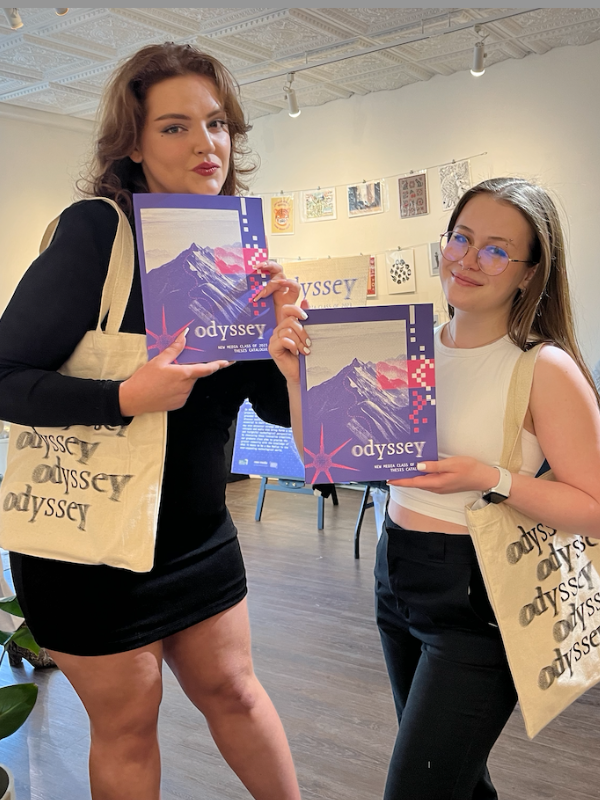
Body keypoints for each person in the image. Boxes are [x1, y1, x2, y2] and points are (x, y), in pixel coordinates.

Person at [0, 43, 301, 800]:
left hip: (197, 537)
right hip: (89, 546)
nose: (206, 144)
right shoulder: (98, 234)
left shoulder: (237, 250)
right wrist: (124, 398)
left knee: (235, 692)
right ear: (133, 143)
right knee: (130, 724)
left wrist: (293, 354)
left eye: (218, 123)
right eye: (175, 127)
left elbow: (270, 406)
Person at [269, 176, 600, 799]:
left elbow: (596, 508)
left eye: (497, 250)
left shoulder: (541, 366)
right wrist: (295, 380)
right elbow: (322, 458)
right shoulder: (409, 347)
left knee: (419, 788)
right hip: (397, 574)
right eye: (461, 238)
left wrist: (491, 478)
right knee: (455, 778)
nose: (469, 260)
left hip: (480, 595)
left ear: (530, 272)